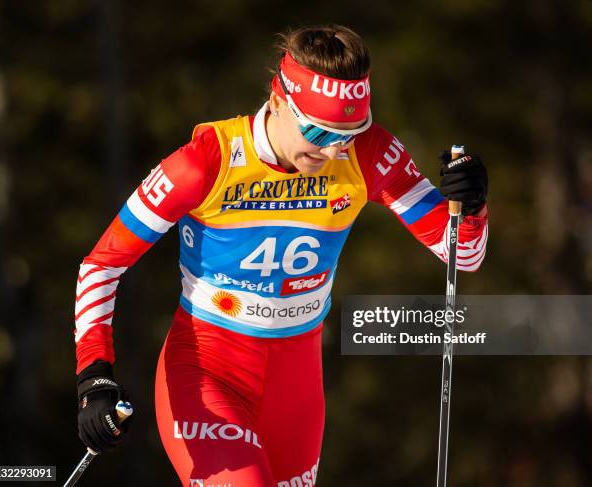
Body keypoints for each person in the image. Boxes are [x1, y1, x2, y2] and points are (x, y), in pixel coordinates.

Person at [73, 25, 488, 486]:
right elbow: (102, 263)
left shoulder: (368, 155)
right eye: (318, 129)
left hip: (296, 384)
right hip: (208, 373)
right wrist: (95, 377)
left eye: (350, 131)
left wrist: (470, 203)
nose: (333, 148)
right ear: (278, 100)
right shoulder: (205, 162)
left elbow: (463, 254)